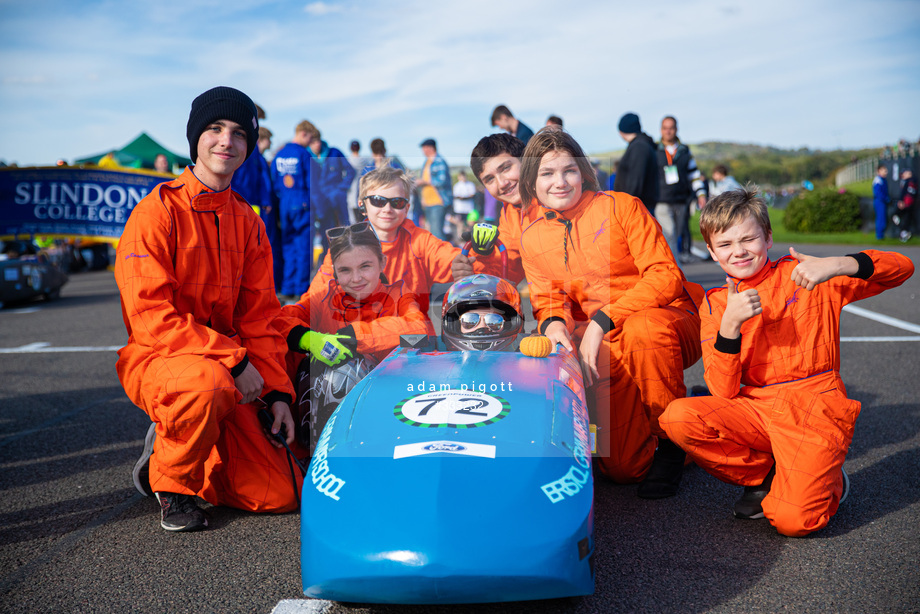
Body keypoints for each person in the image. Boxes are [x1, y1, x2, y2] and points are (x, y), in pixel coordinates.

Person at [661, 188, 914, 536]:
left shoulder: (809, 274)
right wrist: (730, 327)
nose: (738, 251)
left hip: (814, 403)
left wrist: (840, 263)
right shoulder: (716, 303)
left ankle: (829, 482)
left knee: (794, 522)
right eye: (725, 244)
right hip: (755, 408)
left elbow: (903, 268)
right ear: (711, 251)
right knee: (677, 416)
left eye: (748, 239)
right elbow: (722, 390)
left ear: (768, 237)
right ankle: (767, 475)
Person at [118, 86, 299, 533]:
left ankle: (190, 446)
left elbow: (259, 318)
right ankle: (173, 481)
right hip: (161, 359)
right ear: (195, 137)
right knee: (206, 384)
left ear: (249, 146)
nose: (226, 141)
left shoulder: (250, 221)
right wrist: (233, 361)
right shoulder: (155, 213)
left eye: (239, 133)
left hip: (229, 367)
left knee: (279, 495)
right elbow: (150, 316)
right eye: (215, 129)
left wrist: (277, 393)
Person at [517, 127, 704, 498]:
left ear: (583, 171)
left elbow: (666, 276)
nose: (560, 182)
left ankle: (672, 442)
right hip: (605, 343)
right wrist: (554, 325)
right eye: (547, 173)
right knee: (623, 468)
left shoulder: (622, 206)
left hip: (667, 319)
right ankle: (698, 410)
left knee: (644, 329)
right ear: (531, 182)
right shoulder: (532, 236)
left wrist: (603, 320)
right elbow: (549, 300)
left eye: (568, 170)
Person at [309, 165, 479, 318]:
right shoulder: (343, 246)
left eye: (397, 202)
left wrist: (471, 257)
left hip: (412, 341)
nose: (387, 209)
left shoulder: (421, 241)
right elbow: (313, 300)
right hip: (356, 340)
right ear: (362, 206)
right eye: (378, 201)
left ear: (407, 208)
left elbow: (464, 261)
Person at [452, 133, 530, 285]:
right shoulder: (510, 215)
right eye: (490, 179)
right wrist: (475, 263)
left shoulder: (559, 198)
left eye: (506, 168)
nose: (502, 183)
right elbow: (506, 271)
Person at [272, 120, 318, 299]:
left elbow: (275, 181)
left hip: (284, 204)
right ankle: (301, 290)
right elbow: (312, 183)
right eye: (310, 138)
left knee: (288, 247)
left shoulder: (279, 154)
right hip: (302, 205)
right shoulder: (304, 155)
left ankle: (287, 287)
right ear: (304, 134)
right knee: (304, 248)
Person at [656, 116, 707, 263]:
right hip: (662, 200)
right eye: (665, 128)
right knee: (669, 233)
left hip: (681, 200)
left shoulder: (684, 151)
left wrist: (701, 193)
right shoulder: (655, 151)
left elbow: (694, 174)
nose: (668, 131)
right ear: (661, 130)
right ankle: (676, 268)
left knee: (675, 235)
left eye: (671, 128)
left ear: (676, 129)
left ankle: (671, 266)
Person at [305, 122, 356, 252]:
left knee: (345, 231)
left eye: (318, 141)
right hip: (320, 202)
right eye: (313, 142)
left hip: (337, 198)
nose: (317, 144)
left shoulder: (334, 152)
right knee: (325, 233)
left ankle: (349, 256)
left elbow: (351, 171)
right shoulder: (306, 156)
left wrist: (341, 189)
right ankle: (328, 261)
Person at [441, 274, 524, 351]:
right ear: (456, 325)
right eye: (469, 321)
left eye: (493, 321)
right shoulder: (434, 352)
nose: (482, 327)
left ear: (508, 325)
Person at [613, 112, 659, 213]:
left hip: (638, 208)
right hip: (639, 205)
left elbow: (636, 179)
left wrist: (628, 206)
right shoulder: (641, 145)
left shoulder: (639, 147)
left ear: (622, 130)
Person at [416, 138, 453, 241]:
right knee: (433, 232)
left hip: (438, 201)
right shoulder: (426, 162)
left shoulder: (439, 161)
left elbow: (442, 181)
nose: (423, 151)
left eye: (424, 148)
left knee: (437, 234)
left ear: (430, 148)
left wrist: (423, 182)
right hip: (428, 203)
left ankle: (445, 256)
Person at [346, 140, 370, 223]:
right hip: (363, 189)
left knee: (353, 220)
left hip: (351, 191)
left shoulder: (348, 161)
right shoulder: (365, 161)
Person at [451, 170, 477, 243]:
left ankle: (469, 237)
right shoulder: (456, 185)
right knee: (460, 223)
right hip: (459, 209)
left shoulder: (470, 185)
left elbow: (472, 194)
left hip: (469, 208)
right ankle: (460, 237)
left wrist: (465, 198)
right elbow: (456, 196)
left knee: (470, 224)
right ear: (459, 177)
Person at [895, 169, 916, 242]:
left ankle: (903, 231)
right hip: (910, 204)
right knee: (907, 218)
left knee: (905, 218)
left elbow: (904, 193)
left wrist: (901, 201)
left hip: (907, 203)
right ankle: (904, 232)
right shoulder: (912, 182)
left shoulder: (908, 182)